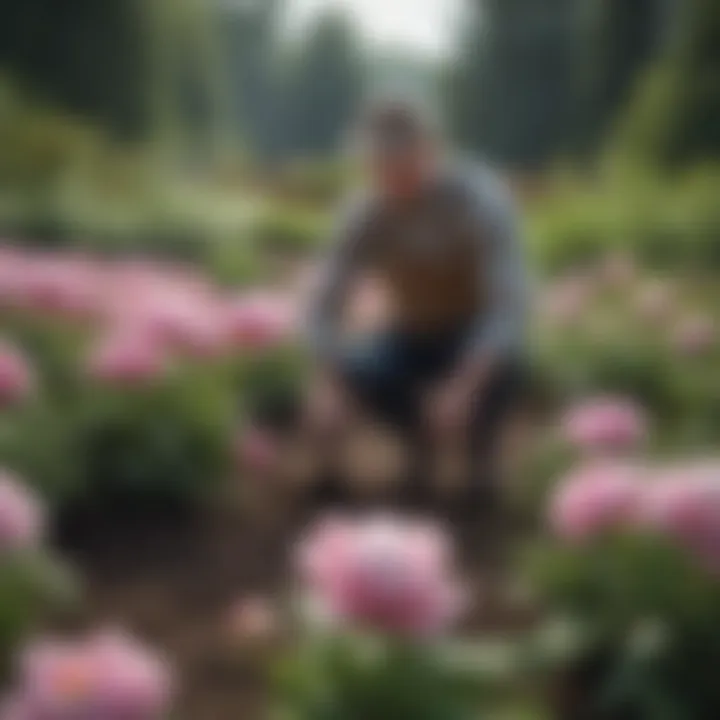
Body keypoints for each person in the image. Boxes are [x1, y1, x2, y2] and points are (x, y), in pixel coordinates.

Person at [305, 99, 530, 517]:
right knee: (360, 370)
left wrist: (464, 385)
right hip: (410, 335)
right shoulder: (366, 213)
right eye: (380, 165)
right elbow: (323, 305)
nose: (392, 176)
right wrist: (328, 380)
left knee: (504, 367)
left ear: (431, 151)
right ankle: (416, 444)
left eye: (402, 162)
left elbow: (507, 312)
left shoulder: (480, 202)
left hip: (473, 335)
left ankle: (481, 463)